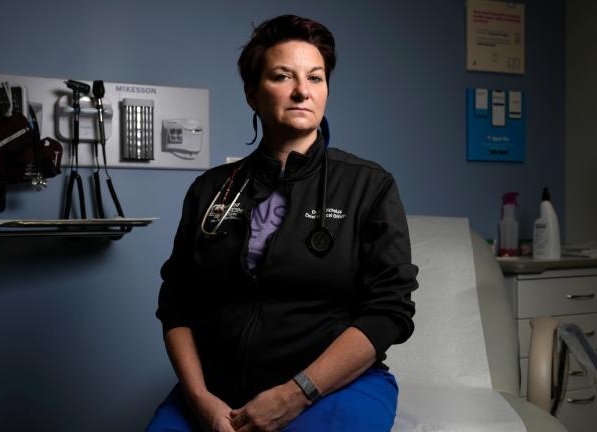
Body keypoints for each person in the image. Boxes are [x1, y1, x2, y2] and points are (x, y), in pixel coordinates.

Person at [148, 14, 418, 432]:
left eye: (315, 77)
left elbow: (389, 311)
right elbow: (177, 305)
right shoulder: (211, 190)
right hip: (216, 394)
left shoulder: (369, 186)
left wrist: (295, 393)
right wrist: (201, 400)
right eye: (281, 76)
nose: (301, 92)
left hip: (334, 389)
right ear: (252, 94)